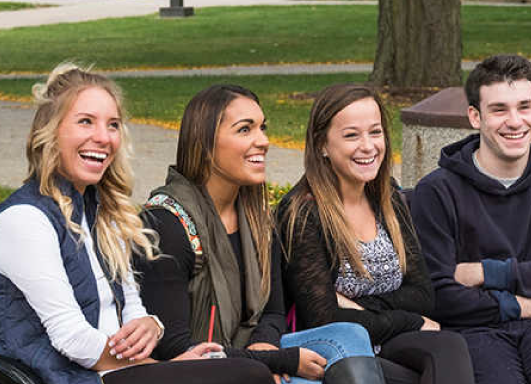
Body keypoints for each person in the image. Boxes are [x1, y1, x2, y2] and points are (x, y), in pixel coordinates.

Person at [0, 63, 270, 384]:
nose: (103, 137)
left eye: (113, 125)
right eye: (86, 121)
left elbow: (133, 308)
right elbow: (71, 339)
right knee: (247, 373)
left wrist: (150, 325)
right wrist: (161, 366)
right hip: (69, 378)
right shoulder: (24, 219)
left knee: (227, 365)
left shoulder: (105, 214)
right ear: (51, 131)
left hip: (122, 371)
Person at [135, 83, 384, 384]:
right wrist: (275, 360)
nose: (263, 141)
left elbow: (274, 312)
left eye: (262, 128)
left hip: (249, 356)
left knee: (348, 335)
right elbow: (174, 348)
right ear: (204, 143)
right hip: (199, 369)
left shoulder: (257, 218)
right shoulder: (166, 223)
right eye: (245, 130)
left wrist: (264, 348)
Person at [276, 84, 475, 384]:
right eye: (352, 135)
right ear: (322, 145)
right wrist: (409, 319)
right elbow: (325, 319)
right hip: (337, 354)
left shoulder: (388, 197)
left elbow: (423, 295)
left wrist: (359, 306)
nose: (368, 146)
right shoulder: (303, 213)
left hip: (388, 339)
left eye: (375, 132)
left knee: (449, 347)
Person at [408, 55, 531, 384]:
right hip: (472, 330)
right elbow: (438, 294)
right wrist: (528, 305)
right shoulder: (437, 192)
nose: (515, 121)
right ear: (475, 116)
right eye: (499, 109)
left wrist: (485, 272)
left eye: (524, 107)